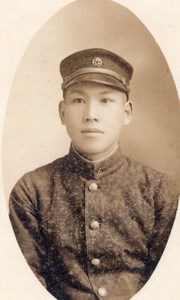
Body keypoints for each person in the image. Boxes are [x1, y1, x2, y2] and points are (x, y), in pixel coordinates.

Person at [9, 48, 179, 300]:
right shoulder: (32, 191)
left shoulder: (160, 191)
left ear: (127, 112)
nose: (91, 115)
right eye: (78, 100)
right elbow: (23, 286)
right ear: (62, 112)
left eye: (105, 100)